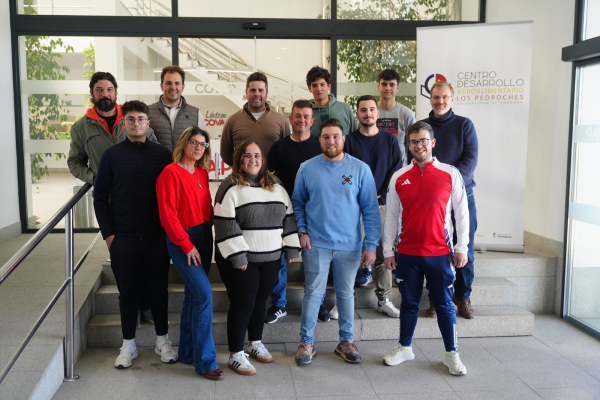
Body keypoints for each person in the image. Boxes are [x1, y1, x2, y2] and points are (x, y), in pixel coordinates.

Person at [382, 121, 469, 376]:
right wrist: (388, 250)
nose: (418, 146)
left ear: (432, 142)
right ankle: (405, 347)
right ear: (408, 145)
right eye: (413, 142)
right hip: (407, 253)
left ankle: (452, 354)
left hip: (440, 253)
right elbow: (391, 217)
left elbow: (462, 215)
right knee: (409, 303)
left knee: (444, 304)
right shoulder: (399, 177)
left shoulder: (450, 173)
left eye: (423, 140)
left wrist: (462, 248)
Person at [93, 100, 174, 369]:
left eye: (141, 119)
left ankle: (162, 341)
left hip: (156, 237)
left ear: (148, 124)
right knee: (127, 293)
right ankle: (128, 344)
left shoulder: (163, 155)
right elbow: (101, 197)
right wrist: (109, 236)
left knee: (158, 291)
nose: (136, 123)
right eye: (130, 119)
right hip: (123, 239)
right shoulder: (112, 156)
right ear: (123, 123)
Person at [292, 118, 380, 366]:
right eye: (326, 137)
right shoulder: (307, 168)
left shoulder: (360, 169)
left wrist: (371, 245)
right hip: (316, 244)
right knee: (313, 294)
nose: (331, 141)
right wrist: (302, 231)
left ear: (344, 139)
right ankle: (306, 342)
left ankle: (346, 342)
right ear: (319, 139)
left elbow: (371, 210)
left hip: (349, 246)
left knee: (345, 295)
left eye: (335, 136)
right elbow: (297, 202)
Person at [214, 138, 301, 375]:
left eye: (257, 156)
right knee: (243, 303)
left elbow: (289, 217)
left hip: (271, 257)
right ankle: (235, 354)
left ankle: (254, 343)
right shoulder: (230, 186)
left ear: (263, 161)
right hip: (240, 259)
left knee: (260, 301)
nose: (253, 160)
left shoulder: (275, 185)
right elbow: (224, 224)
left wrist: (291, 248)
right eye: (247, 156)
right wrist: (238, 256)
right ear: (239, 160)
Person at [156, 127, 223, 381]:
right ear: (184, 143)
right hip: (182, 239)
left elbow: (205, 207)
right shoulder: (170, 173)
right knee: (204, 295)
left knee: (192, 297)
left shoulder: (203, 173)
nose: (198, 147)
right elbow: (168, 216)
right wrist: (186, 245)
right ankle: (206, 361)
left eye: (203, 144)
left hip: (204, 236)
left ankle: (186, 351)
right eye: (194, 142)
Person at [418, 81, 478, 320]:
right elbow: (418, 156)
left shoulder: (464, 125)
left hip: (462, 195)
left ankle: (463, 297)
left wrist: (447, 184)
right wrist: (436, 186)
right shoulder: (422, 127)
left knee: (464, 247)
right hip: (432, 199)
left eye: (444, 97)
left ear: (452, 99)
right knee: (435, 251)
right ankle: (436, 298)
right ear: (430, 99)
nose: (439, 101)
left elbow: (470, 160)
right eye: (435, 97)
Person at [345, 95, 402, 318]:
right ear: (357, 114)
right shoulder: (348, 141)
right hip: (352, 206)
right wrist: (356, 193)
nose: (367, 114)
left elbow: (396, 172)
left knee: (382, 252)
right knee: (349, 253)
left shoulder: (390, 141)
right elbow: (343, 172)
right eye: (363, 110)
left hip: (381, 205)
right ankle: (344, 299)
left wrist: (381, 193)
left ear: (377, 114)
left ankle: (384, 299)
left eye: (371, 110)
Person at [265, 99, 321, 324]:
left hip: (315, 212)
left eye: (306, 116)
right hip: (283, 212)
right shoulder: (279, 147)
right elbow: (269, 179)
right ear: (291, 119)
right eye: (298, 116)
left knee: (315, 260)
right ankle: (279, 304)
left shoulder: (320, 145)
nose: (302, 120)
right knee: (279, 259)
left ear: (312, 120)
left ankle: (317, 304)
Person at [68, 72, 156, 184]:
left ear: (115, 92)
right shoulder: (81, 128)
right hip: (106, 195)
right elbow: (75, 162)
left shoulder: (134, 119)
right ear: (91, 92)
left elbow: (154, 152)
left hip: (139, 190)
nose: (105, 94)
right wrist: (94, 179)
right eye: (99, 90)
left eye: (109, 89)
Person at [220, 72, 290, 167]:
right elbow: (225, 153)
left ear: (267, 93)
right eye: (253, 90)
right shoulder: (233, 120)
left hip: (272, 178)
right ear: (246, 92)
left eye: (261, 90)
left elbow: (286, 150)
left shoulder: (280, 119)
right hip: (242, 179)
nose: (257, 94)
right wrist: (240, 168)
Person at [149, 65, 207, 152]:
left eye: (177, 83)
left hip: (184, 166)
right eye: (168, 83)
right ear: (161, 86)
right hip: (157, 165)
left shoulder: (196, 114)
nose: (173, 87)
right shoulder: (148, 112)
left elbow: (203, 145)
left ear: (183, 87)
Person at [376, 68, 416, 166]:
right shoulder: (369, 113)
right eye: (384, 84)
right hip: (374, 169)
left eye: (392, 85)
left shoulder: (407, 114)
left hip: (400, 170)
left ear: (398, 88)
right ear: (378, 87)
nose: (387, 88)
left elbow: (413, 146)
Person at [306, 66, 357, 137]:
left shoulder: (345, 109)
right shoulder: (306, 113)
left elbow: (355, 137)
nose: (319, 89)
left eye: (322, 84)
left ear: (329, 86)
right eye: (314, 85)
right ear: (309, 88)